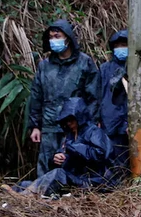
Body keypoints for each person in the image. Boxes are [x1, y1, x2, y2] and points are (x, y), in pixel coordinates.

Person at [26, 20, 99, 181]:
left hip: (75, 125)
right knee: (46, 162)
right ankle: (41, 196)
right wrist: (35, 126)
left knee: (74, 161)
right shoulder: (44, 66)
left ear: (68, 37)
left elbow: (93, 96)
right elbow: (36, 96)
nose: (54, 39)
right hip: (49, 123)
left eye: (57, 35)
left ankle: (72, 196)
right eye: (51, 37)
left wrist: (91, 125)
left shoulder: (84, 62)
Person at [12, 98, 115, 199]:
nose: (68, 123)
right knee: (25, 183)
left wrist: (73, 147)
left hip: (92, 181)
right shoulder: (69, 136)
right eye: (66, 120)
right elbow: (60, 160)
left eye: (71, 119)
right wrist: (55, 159)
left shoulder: (94, 132)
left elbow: (100, 155)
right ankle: (14, 193)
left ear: (79, 116)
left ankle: (27, 196)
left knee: (59, 174)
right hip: (73, 179)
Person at [96, 29, 132, 176]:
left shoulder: (137, 66)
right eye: (118, 45)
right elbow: (97, 95)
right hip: (109, 120)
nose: (121, 48)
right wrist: (97, 118)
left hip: (130, 119)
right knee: (111, 154)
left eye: (125, 44)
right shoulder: (105, 69)